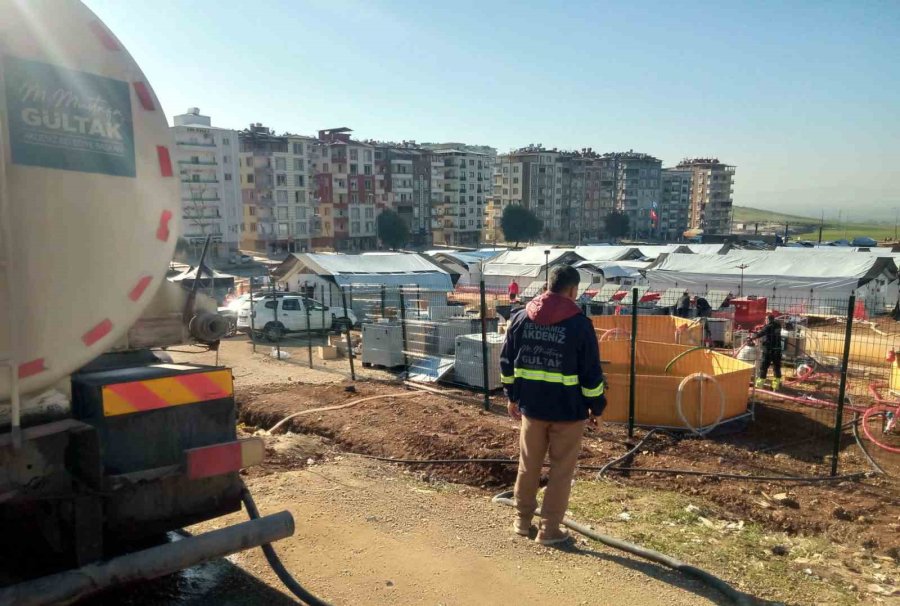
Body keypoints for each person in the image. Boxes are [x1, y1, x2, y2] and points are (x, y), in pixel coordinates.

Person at [500, 266, 606, 546]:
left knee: (528, 465)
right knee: (561, 471)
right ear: (573, 290)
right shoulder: (580, 325)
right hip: (568, 412)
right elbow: (591, 375)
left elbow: (506, 362)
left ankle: (522, 522)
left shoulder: (521, 317)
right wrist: (597, 408)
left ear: (549, 286)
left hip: (531, 409)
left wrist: (511, 396)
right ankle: (549, 530)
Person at [751, 314, 782, 390]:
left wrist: (751, 338)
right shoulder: (778, 326)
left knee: (763, 367)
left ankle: (759, 385)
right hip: (777, 350)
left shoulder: (768, 327)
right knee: (777, 368)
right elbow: (769, 330)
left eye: (766, 319)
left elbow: (760, 333)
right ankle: (776, 386)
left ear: (768, 319)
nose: (765, 321)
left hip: (768, 351)